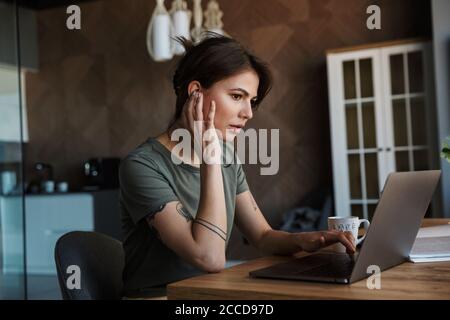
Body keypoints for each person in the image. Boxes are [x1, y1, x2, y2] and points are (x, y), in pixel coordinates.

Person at [119, 34, 355, 298]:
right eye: (236, 96)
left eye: (251, 101)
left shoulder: (227, 155)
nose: (248, 113)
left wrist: (306, 239)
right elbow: (209, 258)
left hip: (209, 294)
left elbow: (262, 236)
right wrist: (211, 158)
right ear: (196, 93)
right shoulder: (143, 165)